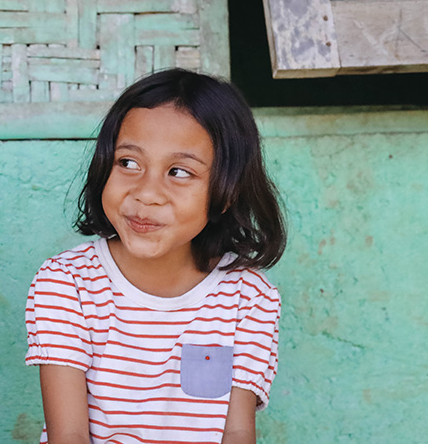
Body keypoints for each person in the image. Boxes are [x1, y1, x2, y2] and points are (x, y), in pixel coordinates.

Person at [25, 68, 286, 444]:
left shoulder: (249, 299)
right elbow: (69, 435)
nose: (147, 193)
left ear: (227, 192)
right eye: (128, 163)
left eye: (179, 172)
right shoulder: (68, 284)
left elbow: (238, 432)